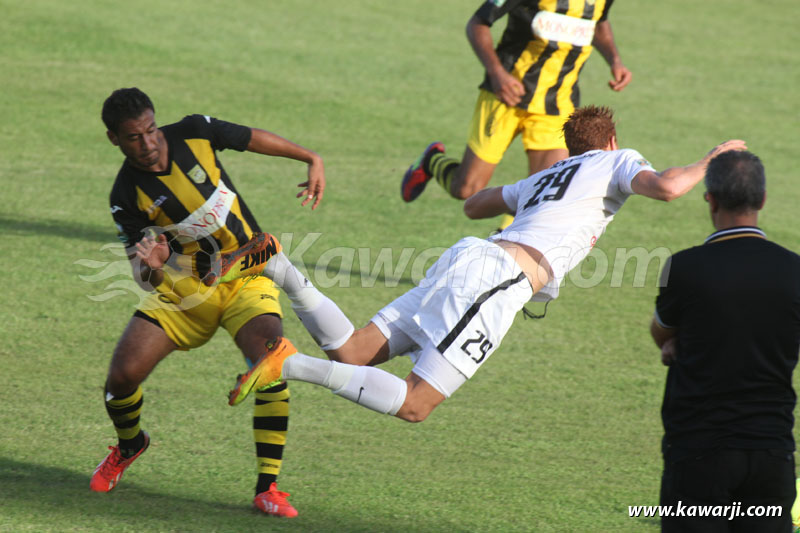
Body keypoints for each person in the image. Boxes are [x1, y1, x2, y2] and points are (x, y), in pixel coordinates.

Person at [214, 106, 744, 425]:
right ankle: (290, 363)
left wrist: (527, 202)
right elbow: (670, 188)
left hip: (470, 255)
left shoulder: (546, 176)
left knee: (352, 350)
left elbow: (474, 204)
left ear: (570, 145)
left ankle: (279, 265)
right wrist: (713, 157)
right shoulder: (619, 159)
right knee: (416, 405)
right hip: (499, 281)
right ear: (608, 142)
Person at [91, 87, 325, 518]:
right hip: (185, 289)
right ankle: (130, 445)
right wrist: (157, 267)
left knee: (272, 363)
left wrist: (310, 157)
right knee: (121, 377)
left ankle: (267, 488)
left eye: (150, 130)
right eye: (133, 138)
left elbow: (254, 138)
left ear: (156, 121)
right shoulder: (126, 196)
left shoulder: (195, 133)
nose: (147, 144)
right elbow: (143, 276)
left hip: (246, 274)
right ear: (114, 140)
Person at [649, 151, 800, 532]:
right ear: (762, 200)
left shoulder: (683, 267)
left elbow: (662, 331)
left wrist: (678, 342)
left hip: (699, 452)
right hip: (772, 450)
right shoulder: (794, 270)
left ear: (710, 199)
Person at [401, 0, 632, 233]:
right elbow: (477, 23)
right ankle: (432, 162)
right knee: (466, 188)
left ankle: (503, 248)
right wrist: (497, 74)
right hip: (506, 96)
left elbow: (599, 22)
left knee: (543, 192)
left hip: (556, 106)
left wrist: (615, 60)